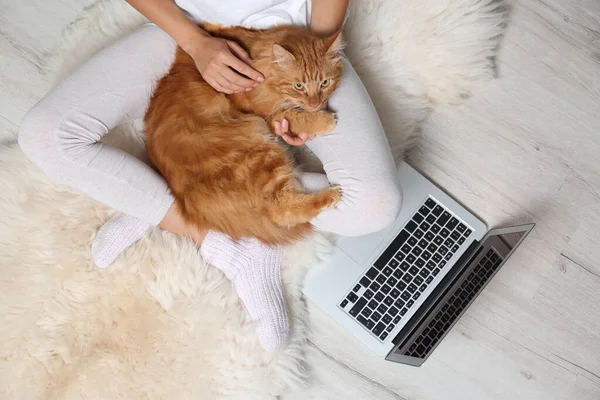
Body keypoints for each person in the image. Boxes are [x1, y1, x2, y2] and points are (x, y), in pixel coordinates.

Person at [18, 0, 402, 352]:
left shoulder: (306, 56)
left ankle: (165, 191)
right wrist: (197, 44)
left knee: (374, 207)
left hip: (294, 45)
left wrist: (309, 61)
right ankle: (216, 235)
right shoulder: (192, 40)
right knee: (44, 136)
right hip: (191, 32)